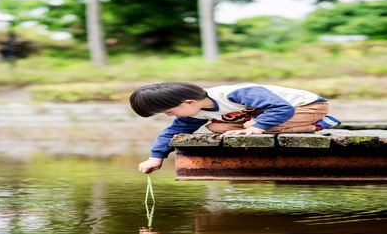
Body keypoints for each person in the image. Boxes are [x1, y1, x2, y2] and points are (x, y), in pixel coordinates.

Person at [129, 82, 341, 174]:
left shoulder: (235, 93)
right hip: (268, 117)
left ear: (189, 102)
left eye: (170, 112)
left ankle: (318, 125)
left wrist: (257, 128)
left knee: (251, 124)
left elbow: (281, 108)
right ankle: (260, 126)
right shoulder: (198, 111)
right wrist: (156, 157)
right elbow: (173, 132)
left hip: (307, 108)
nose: (171, 116)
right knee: (216, 127)